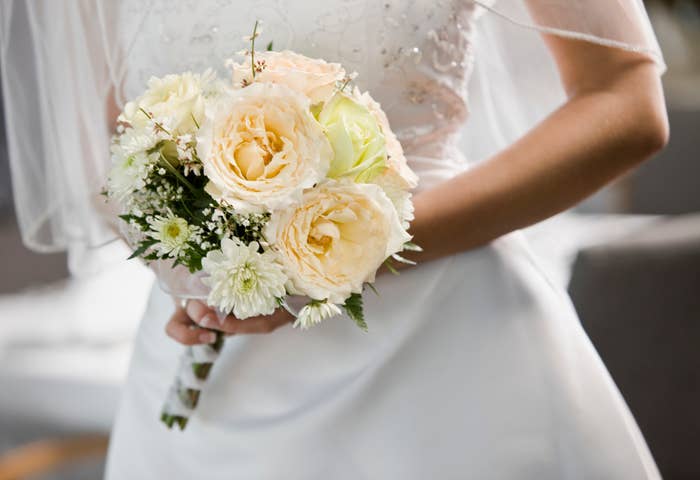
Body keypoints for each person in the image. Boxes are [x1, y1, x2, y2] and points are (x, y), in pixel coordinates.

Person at [1, 1, 668, 478]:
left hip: (450, 355)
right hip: (211, 379)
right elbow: (104, 149)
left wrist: (352, 250)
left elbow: (626, 103)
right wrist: (196, 272)